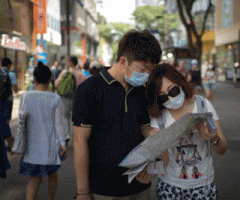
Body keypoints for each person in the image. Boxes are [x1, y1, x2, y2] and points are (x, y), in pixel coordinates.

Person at [72, 30, 162, 200]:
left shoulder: (140, 91)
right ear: (123, 61)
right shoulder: (90, 89)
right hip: (104, 188)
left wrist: (157, 136)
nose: (146, 75)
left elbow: (144, 129)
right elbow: (79, 141)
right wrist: (83, 191)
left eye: (150, 70)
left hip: (140, 184)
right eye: (143, 68)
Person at [146, 63, 228, 199]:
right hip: (170, 188)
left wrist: (214, 139)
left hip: (204, 187)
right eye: (163, 97)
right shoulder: (159, 117)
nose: (170, 99)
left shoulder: (203, 105)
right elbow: (163, 162)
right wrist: (156, 150)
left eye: (172, 91)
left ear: (180, 83)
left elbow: (223, 149)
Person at [13, 62, 66, 200]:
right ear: (50, 79)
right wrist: (63, 143)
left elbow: (21, 121)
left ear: (34, 79)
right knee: (52, 176)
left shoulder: (25, 96)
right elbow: (58, 124)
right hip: (50, 146)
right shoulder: (55, 98)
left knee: (34, 179)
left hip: (32, 147)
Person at [55, 56, 86, 146]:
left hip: (65, 98)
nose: (66, 63)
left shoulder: (64, 73)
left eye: (68, 61)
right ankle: (76, 136)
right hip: (77, 99)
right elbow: (84, 88)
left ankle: (67, 134)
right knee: (76, 118)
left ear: (71, 62)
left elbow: (56, 84)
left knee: (65, 116)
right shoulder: (81, 74)